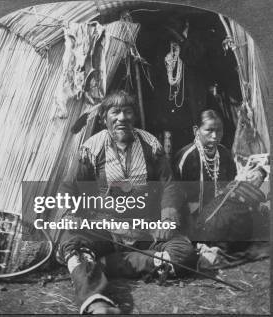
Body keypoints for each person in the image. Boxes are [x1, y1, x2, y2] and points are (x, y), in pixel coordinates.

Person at [55, 91, 197, 314]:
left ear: (134, 117)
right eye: (115, 112)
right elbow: (68, 187)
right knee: (72, 242)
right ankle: (96, 302)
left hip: (145, 231)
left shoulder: (151, 145)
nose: (122, 117)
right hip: (106, 230)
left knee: (184, 252)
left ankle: (103, 265)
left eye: (127, 111)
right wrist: (68, 214)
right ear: (104, 118)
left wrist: (166, 219)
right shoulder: (92, 148)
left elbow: (169, 185)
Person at [174, 109, 236, 237]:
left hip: (219, 219)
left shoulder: (224, 154)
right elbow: (175, 195)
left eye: (219, 130)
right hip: (190, 223)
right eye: (209, 130)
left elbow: (230, 188)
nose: (215, 136)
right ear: (196, 130)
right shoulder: (186, 157)